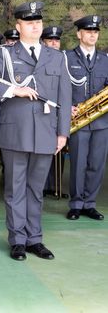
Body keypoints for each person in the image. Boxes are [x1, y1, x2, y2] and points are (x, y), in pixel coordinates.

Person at [0, 1, 71, 261]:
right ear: (18, 27)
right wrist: (12, 90)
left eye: (38, 22)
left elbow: (65, 96)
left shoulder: (57, 56)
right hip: (15, 132)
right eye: (29, 23)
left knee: (36, 190)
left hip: (46, 132)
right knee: (16, 188)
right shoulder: (5, 54)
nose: (35, 27)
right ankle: (18, 240)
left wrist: (63, 133)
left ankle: (34, 239)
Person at [65, 15, 107, 221]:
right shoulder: (66, 58)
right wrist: (66, 106)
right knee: (78, 164)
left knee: (96, 164)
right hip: (78, 121)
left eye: (95, 32)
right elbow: (60, 87)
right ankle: (76, 204)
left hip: (101, 122)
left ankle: (89, 204)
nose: (92, 35)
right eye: (88, 31)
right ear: (79, 34)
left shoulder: (105, 59)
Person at [41, 26, 64, 197]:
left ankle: (56, 187)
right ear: (44, 42)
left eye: (57, 40)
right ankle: (42, 187)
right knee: (42, 151)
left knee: (59, 152)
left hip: (59, 111)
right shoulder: (39, 59)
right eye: (50, 40)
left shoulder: (63, 59)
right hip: (43, 111)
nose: (54, 43)